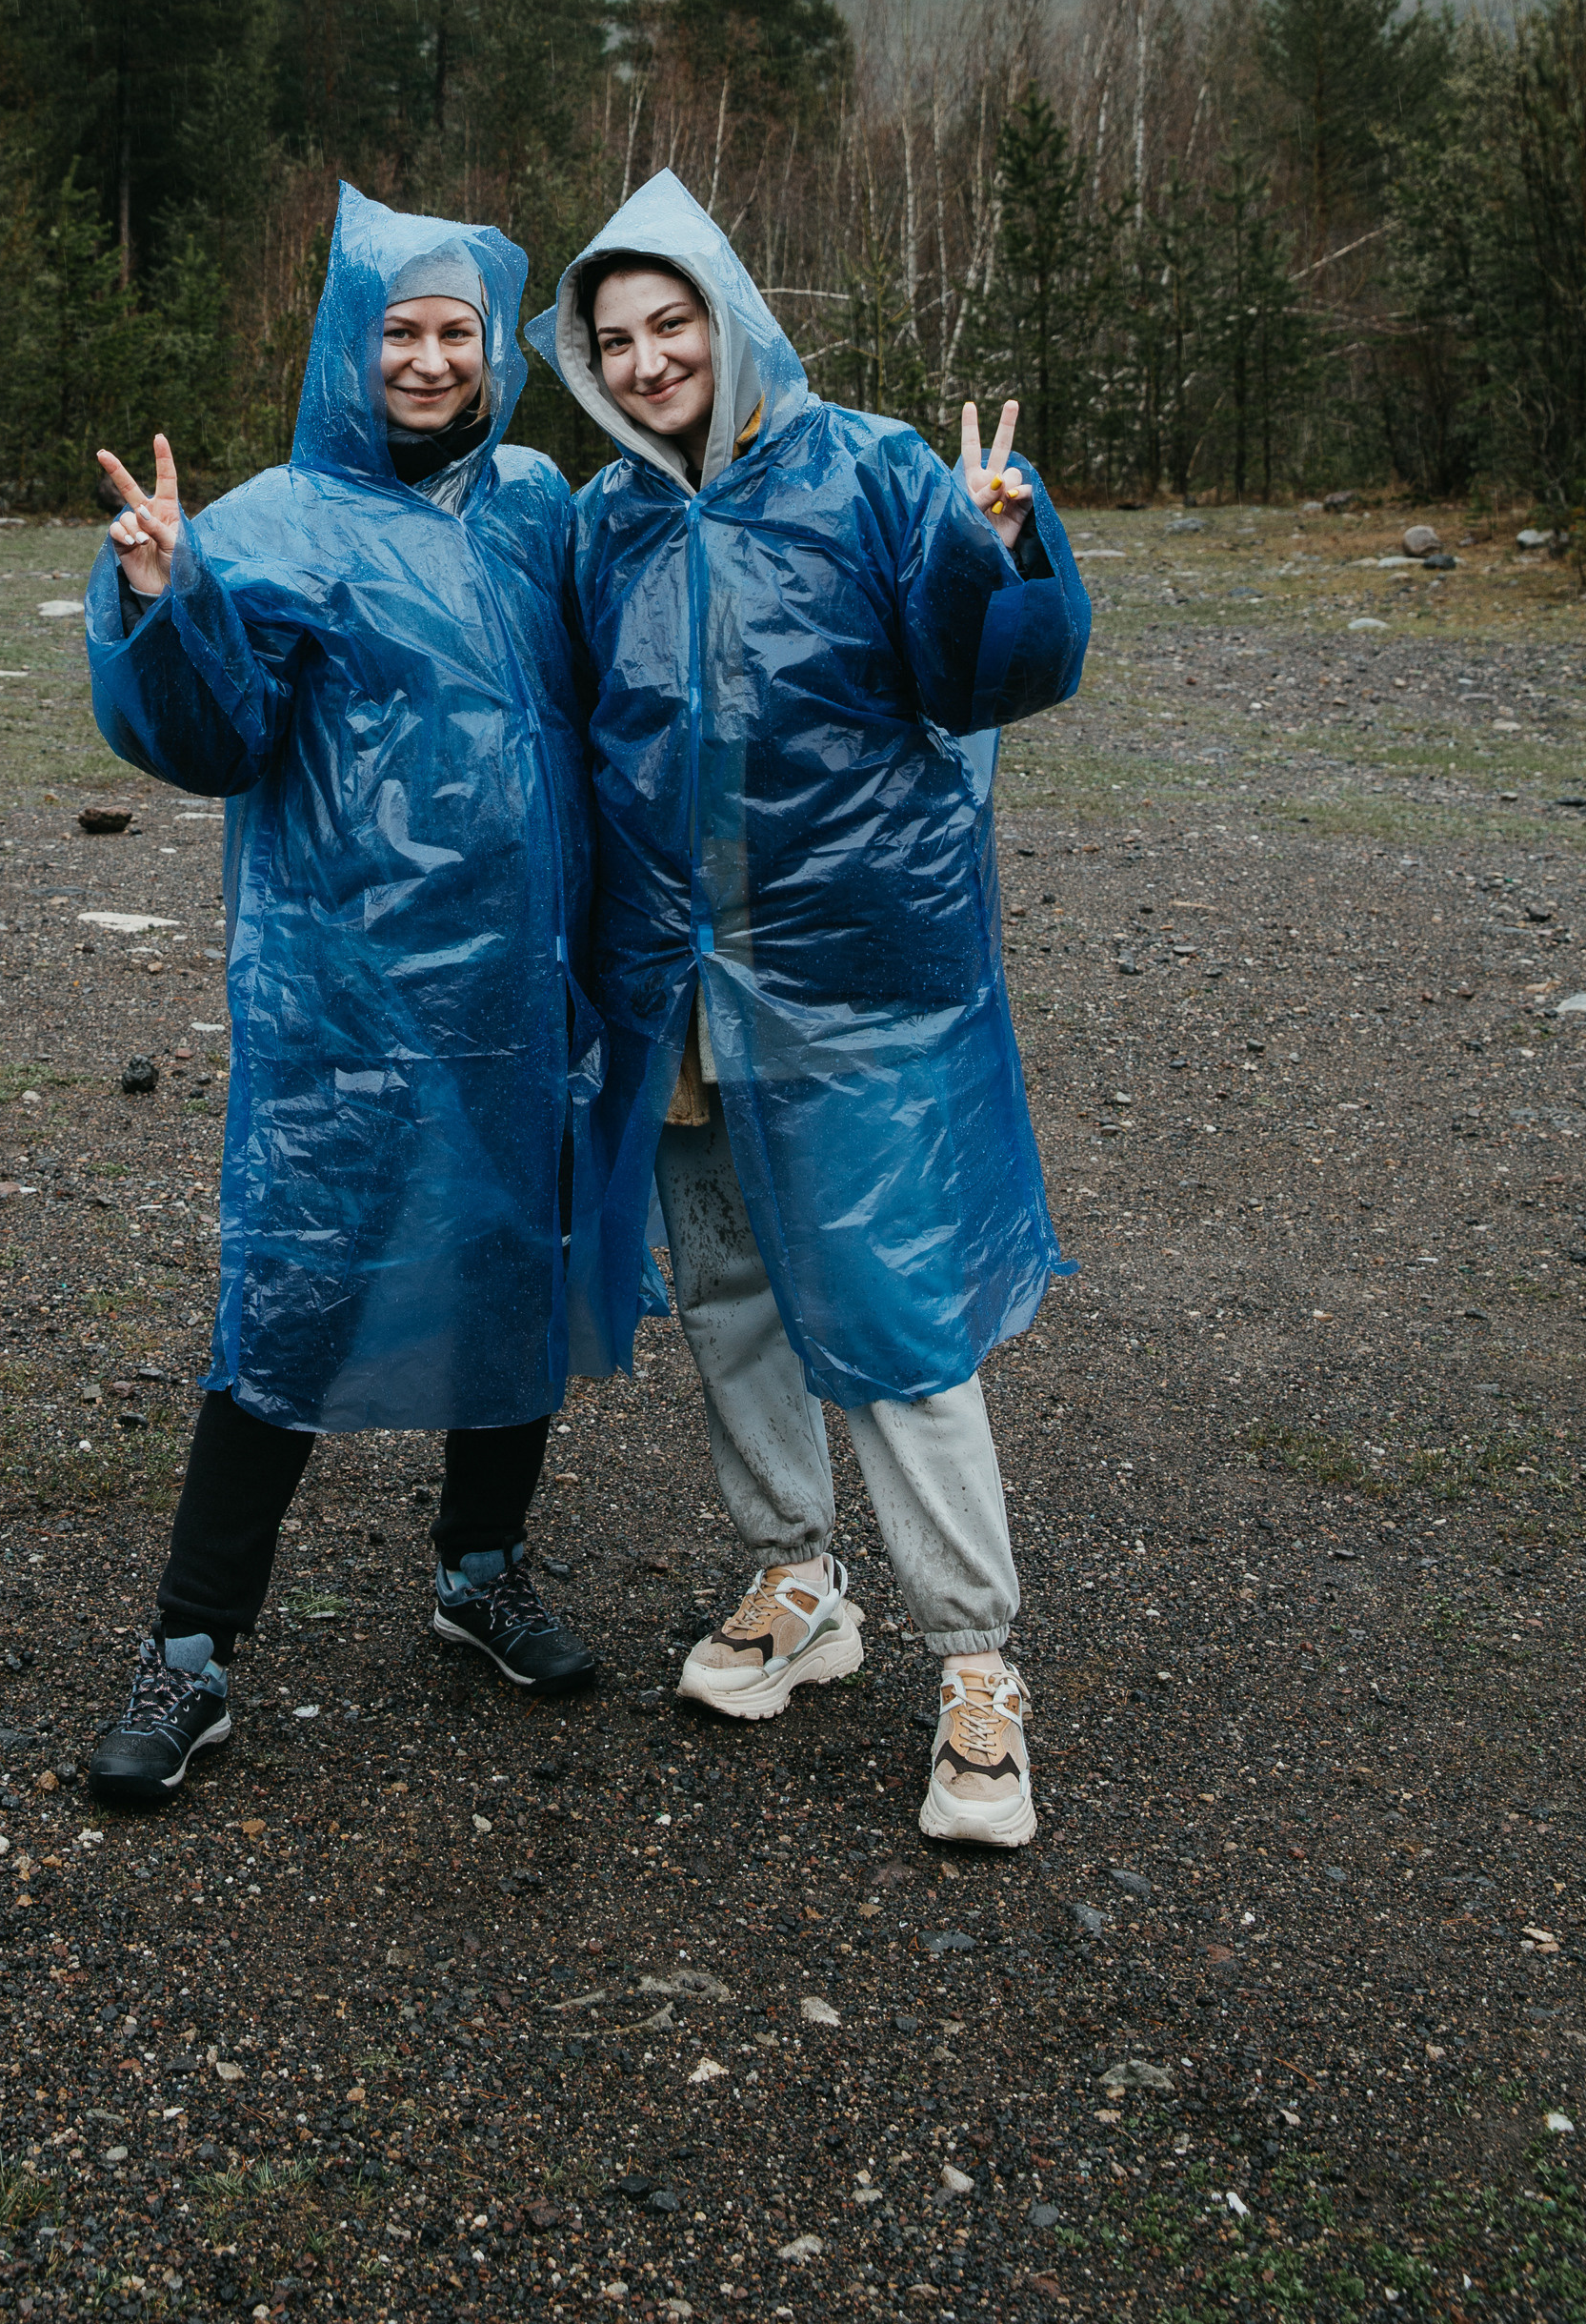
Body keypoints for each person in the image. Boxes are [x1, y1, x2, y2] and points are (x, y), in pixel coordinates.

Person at [532, 170, 1090, 1849]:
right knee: (726, 1290)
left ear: (729, 313)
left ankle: (978, 1668)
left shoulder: (875, 472)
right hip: (679, 986)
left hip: (849, 982)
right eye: (614, 341)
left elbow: (984, 675)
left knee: (896, 1318)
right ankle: (797, 1578)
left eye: (670, 323)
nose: (644, 363)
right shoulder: (604, 521)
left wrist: (997, 554)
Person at [79, 185, 604, 1809]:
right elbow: (210, 739)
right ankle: (190, 1654)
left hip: (523, 981)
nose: (432, 358)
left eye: (458, 330)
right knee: (296, 1289)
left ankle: (481, 1571)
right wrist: (170, 601)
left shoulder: (535, 502)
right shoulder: (273, 522)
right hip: (346, 995)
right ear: (348, 345)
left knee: (513, 1260)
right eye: (402, 331)